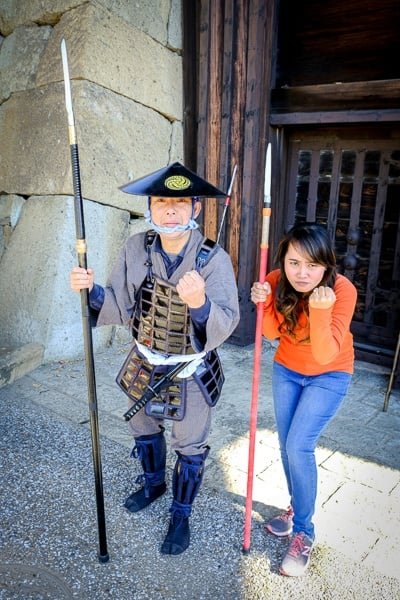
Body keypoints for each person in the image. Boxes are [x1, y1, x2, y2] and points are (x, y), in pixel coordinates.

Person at [70, 162, 239, 556]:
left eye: (181, 203)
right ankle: (153, 484)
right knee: (143, 426)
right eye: (162, 201)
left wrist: (199, 305)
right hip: (144, 359)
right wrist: (91, 290)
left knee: (190, 444)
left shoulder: (214, 260)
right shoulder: (135, 247)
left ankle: (181, 514)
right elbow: (120, 303)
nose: (171, 210)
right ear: (150, 206)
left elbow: (228, 320)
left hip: (190, 368)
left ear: (196, 208)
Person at [251, 222, 357, 577]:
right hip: (287, 370)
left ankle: (304, 533)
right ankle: (296, 508)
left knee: (299, 446)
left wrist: (322, 310)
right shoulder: (278, 278)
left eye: (313, 265)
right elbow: (270, 334)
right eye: (295, 262)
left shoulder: (342, 290)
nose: (301, 272)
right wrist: (264, 303)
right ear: (285, 258)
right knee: (285, 446)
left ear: (327, 265)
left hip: (330, 374)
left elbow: (327, 354)